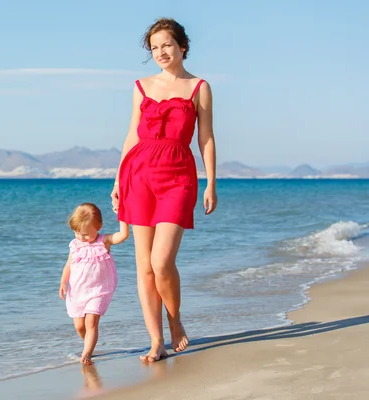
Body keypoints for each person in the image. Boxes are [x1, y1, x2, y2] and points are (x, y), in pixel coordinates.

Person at [111, 17, 218, 363]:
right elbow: (131, 136)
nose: (161, 52)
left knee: (161, 261)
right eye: (155, 48)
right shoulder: (141, 86)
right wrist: (117, 181)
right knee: (144, 265)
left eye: (167, 45)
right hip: (139, 174)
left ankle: (175, 319)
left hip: (178, 176)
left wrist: (211, 181)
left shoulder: (199, 87)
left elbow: (206, 137)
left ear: (182, 46)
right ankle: (155, 340)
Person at [59, 203, 130, 364]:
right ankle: (89, 343)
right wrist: (63, 282)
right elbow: (68, 264)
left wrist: (123, 215)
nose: (80, 237)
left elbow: (123, 235)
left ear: (98, 227)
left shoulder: (103, 241)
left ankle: (87, 353)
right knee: (79, 326)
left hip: (99, 290)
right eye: (77, 233)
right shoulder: (74, 245)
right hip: (77, 291)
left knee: (91, 322)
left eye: (84, 234)